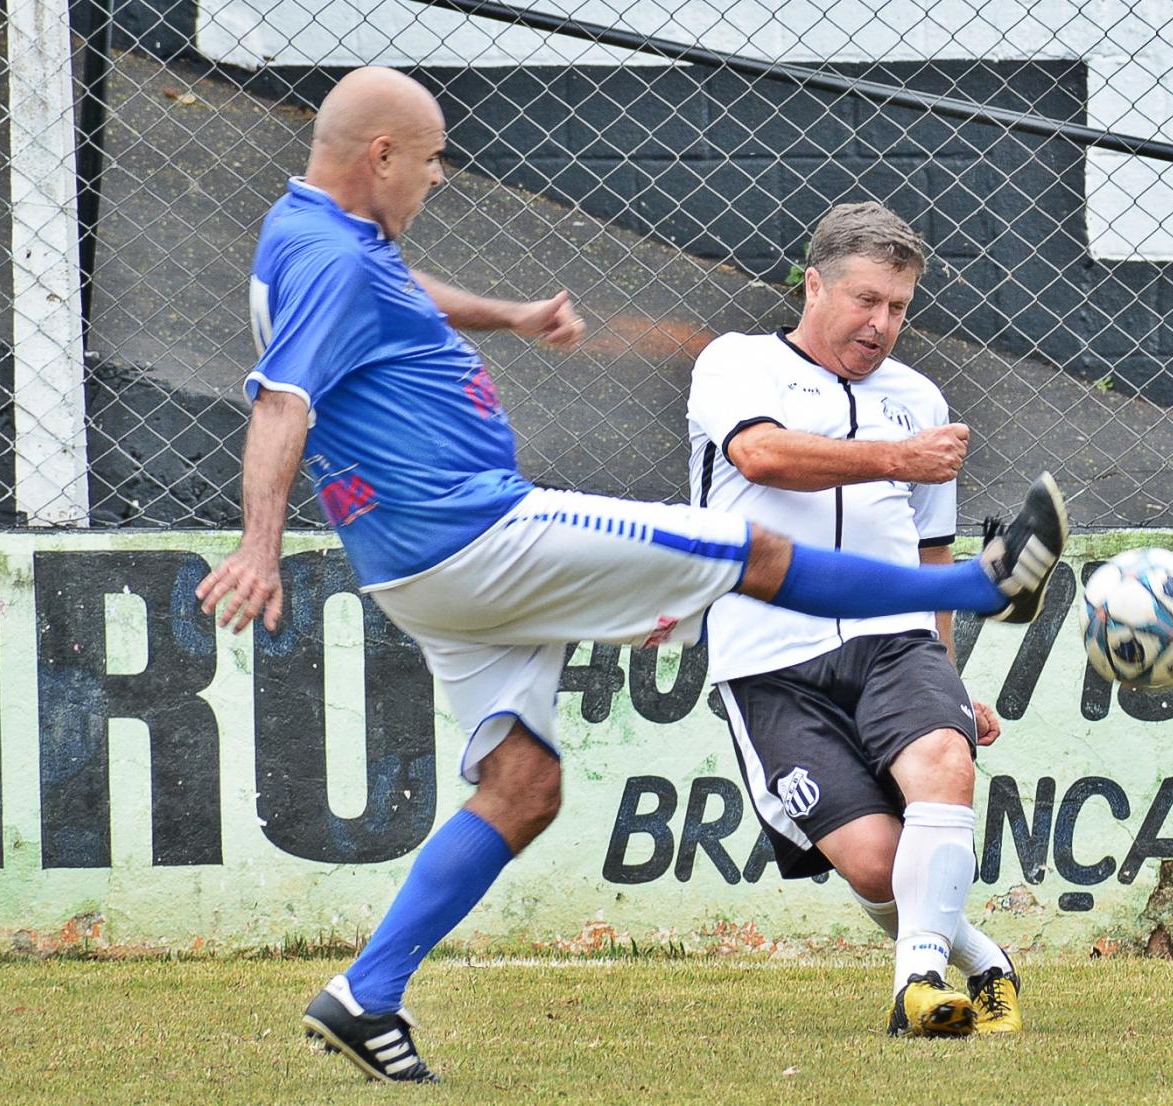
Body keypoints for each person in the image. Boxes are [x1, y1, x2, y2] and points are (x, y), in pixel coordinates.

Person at [196, 67, 1066, 1084]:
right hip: (475, 527)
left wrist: (508, 315)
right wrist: (259, 544)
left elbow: (391, 290)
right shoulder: (331, 259)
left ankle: (366, 992)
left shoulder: (310, 240)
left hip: (414, 568)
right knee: (744, 552)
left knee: (524, 785)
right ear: (380, 154)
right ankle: (984, 584)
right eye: (431, 160)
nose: (436, 179)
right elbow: (280, 401)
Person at [687, 201, 1034, 1037]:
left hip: (893, 637)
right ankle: (983, 962)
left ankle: (916, 985)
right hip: (766, 653)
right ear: (814, 285)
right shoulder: (737, 363)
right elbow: (760, 455)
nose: (882, 325)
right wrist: (892, 458)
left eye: (900, 308)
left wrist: (949, 677)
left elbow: (928, 556)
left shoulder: (918, 398)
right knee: (879, 865)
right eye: (866, 300)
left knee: (945, 761)